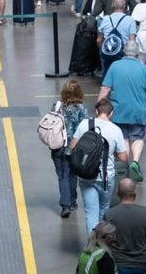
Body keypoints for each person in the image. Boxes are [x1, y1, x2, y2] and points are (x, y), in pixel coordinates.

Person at [98, 42, 146, 182]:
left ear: (124, 51)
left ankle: (124, 166)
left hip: (118, 112)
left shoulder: (115, 66)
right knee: (138, 137)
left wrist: (98, 106)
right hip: (138, 112)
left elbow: (105, 89)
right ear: (137, 53)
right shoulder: (143, 68)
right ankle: (135, 162)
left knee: (123, 138)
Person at [70, 98, 128, 234]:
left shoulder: (84, 124)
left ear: (96, 111)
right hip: (106, 178)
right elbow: (123, 157)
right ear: (111, 113)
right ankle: (103, 246)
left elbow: (72, 147)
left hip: (87, 175)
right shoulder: (116, 130)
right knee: (104, 210)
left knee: (91, 213)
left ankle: (91, 248)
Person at [102, 178, 146, 274]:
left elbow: (104, 241)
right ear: (135, 193)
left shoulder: (109, 214)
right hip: (143, 264)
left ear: (118, 193)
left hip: (119, 265)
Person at [51, 78, 88, 218]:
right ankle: (72, 201)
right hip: (74, 148)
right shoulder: (82, 109)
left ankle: (65, 205)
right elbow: (85, 127)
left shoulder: (56, 106)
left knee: (62, 175)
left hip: (58, 146)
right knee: (72, 174)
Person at [96, 0, 136, 75]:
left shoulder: (105, 19)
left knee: (107, 75)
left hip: (108, 53)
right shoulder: (130, 20)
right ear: (125, 6)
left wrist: (103, 51)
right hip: (123, 54)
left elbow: (99, 40)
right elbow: (132, 41)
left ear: (112, 6)